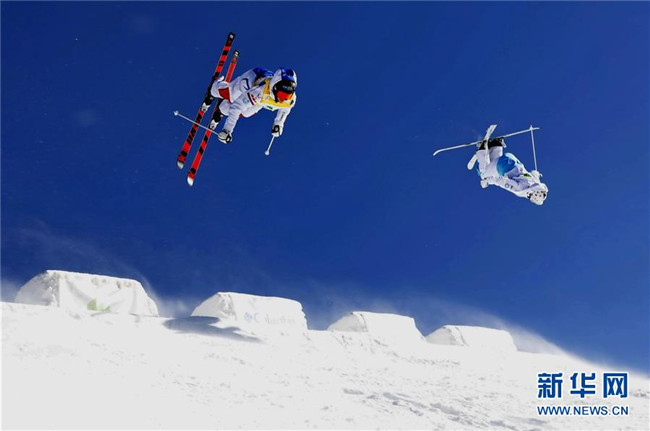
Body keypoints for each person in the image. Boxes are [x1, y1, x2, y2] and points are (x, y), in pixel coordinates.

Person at [201, 67, 297, 144]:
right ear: (275, 88)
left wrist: (279, 123)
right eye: (282, 95)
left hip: (261, 101)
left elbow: (285, 109)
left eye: (287, 96)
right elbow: (237, 107)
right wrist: (227, 129)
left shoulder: (290, 100)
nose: (283, 100)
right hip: (251, 81)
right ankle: (213, 89)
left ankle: (222, 108)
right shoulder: (259, 91)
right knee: (231, 94)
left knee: (245, 113)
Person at [475, 137, 548, 205]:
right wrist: (487, 181)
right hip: (504, 165)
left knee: (495, 171)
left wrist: (537, 174)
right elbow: (503, 182)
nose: (530, 198)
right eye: (532, 198)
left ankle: (496, 144)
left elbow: (534, 173)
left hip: (512, 159)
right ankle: (482, 149)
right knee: (484, 175)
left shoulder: (536, 182)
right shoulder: (520, 189)